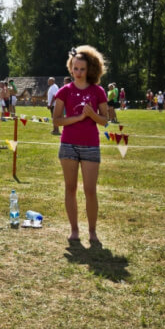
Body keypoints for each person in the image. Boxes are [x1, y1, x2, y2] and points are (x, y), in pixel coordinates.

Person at [53, 45, 109, 244]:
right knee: (70, 188)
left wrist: (92, 115)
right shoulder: (64, 91)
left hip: (90, 146)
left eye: (82, 69)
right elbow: (57, 120)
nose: (78, 73)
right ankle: (74, 230)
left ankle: (92, 232)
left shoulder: (98, 91)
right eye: (75, 68)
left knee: (90, 190)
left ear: (90, 69)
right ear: (71, 68)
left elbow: (105, 120)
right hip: (68, 145)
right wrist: (78, 117)